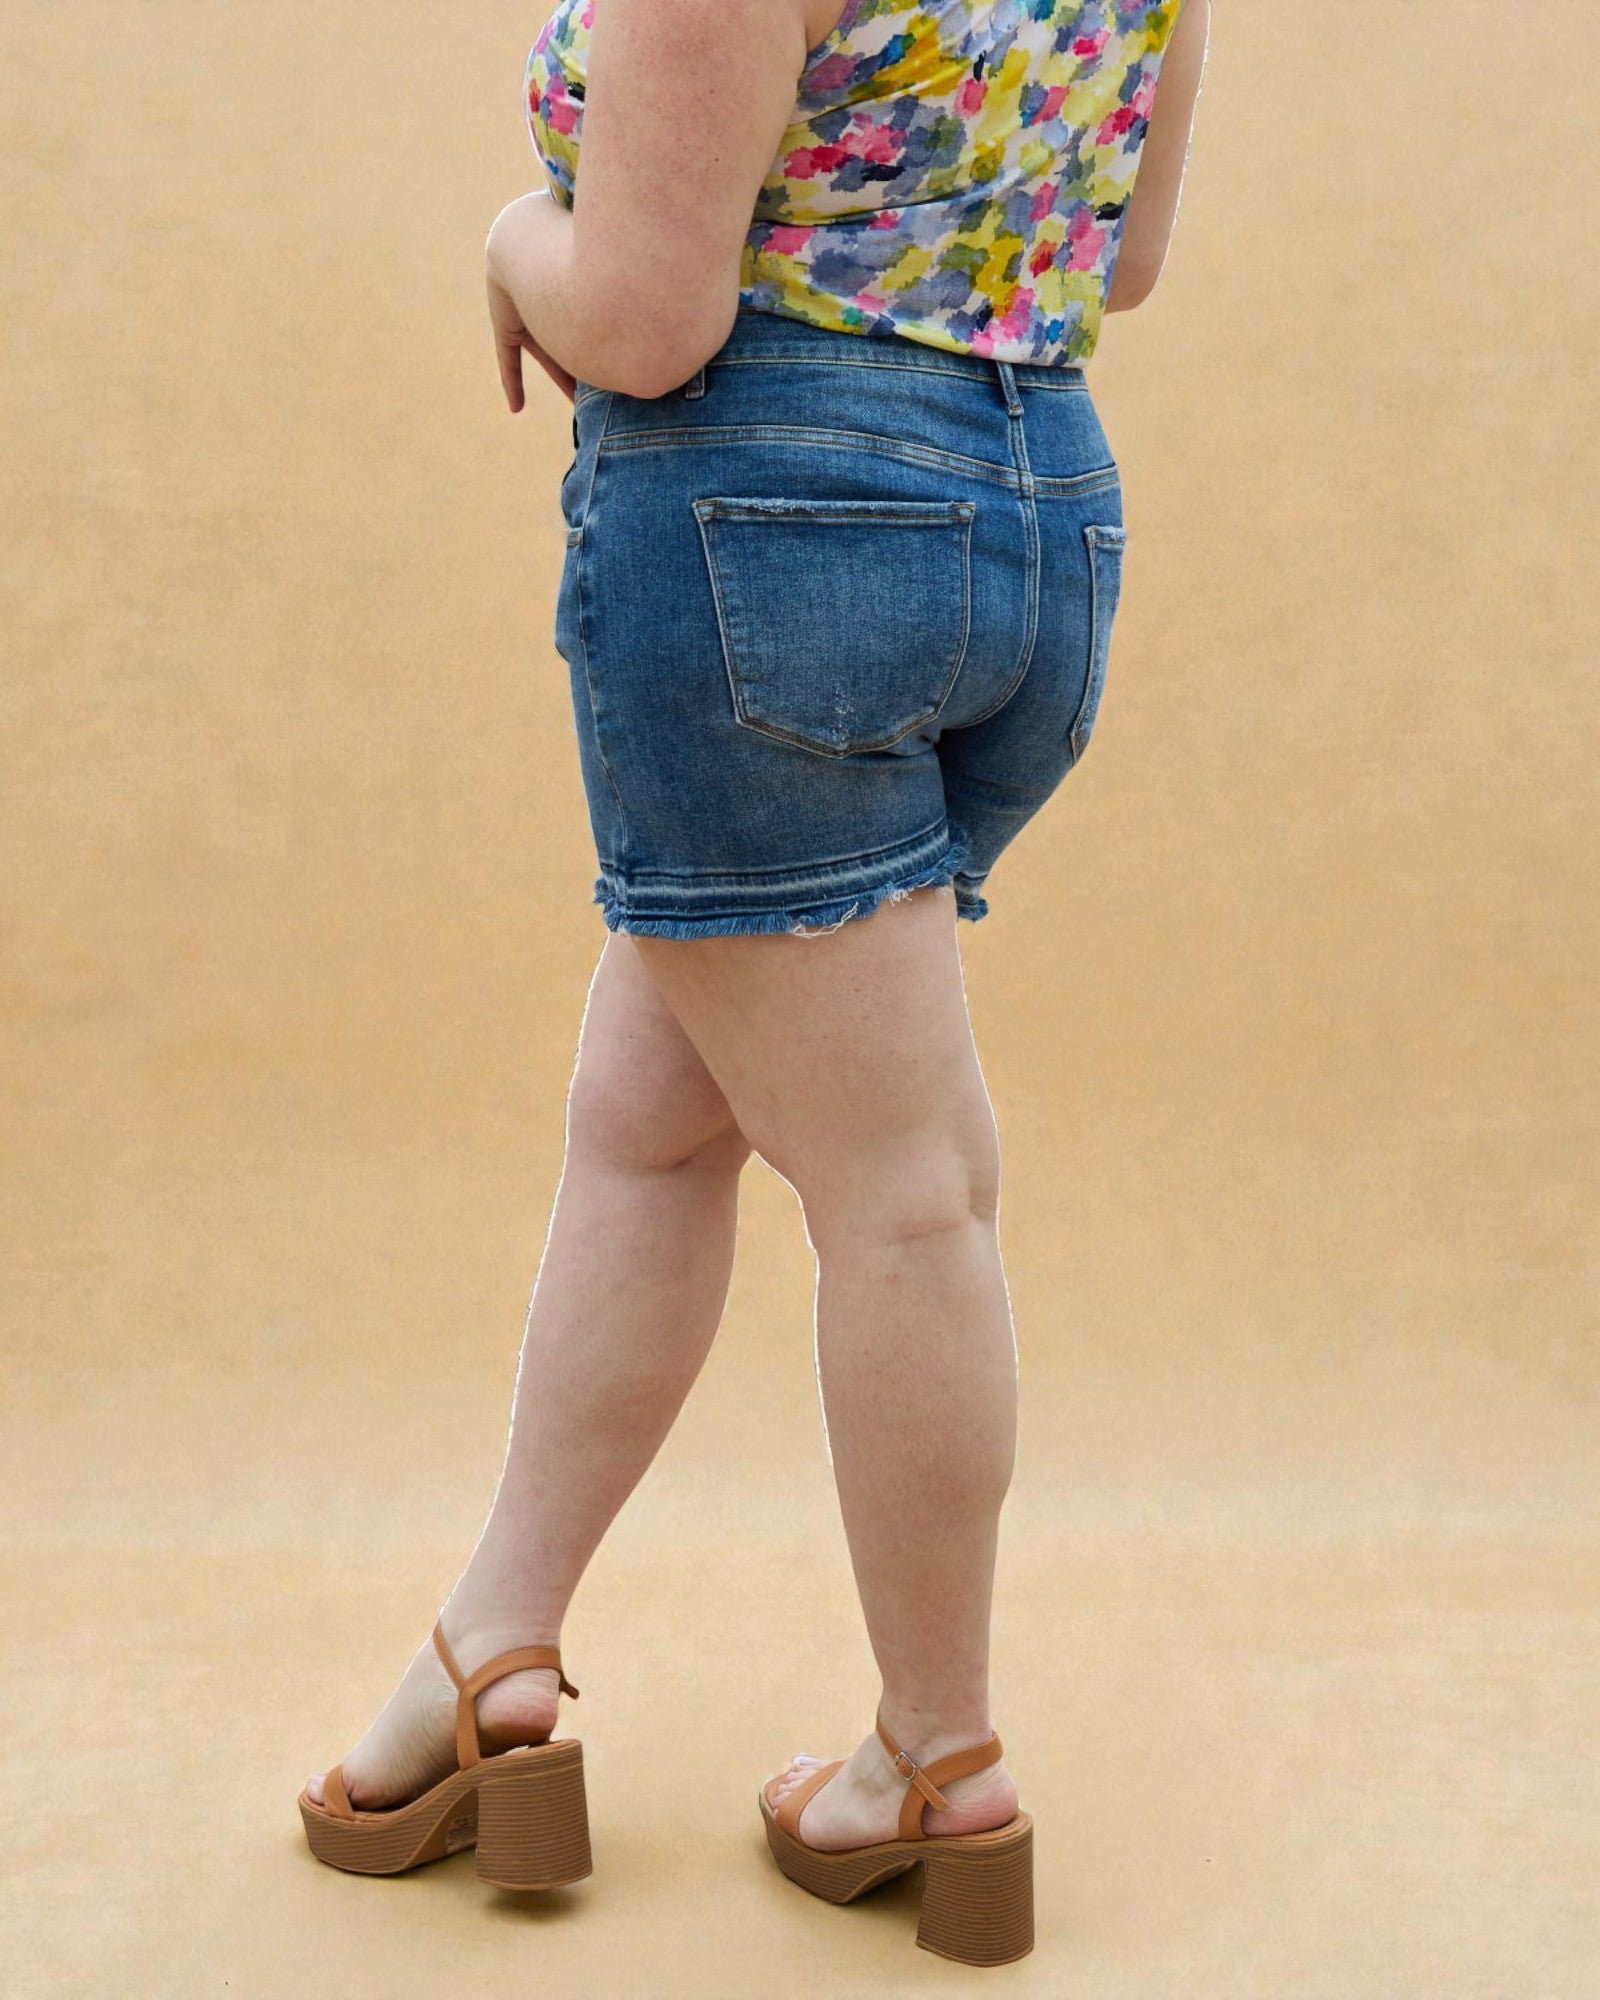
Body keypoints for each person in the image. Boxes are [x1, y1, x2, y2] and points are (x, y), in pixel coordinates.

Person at [298, 0, 1209, 1966]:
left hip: (773, 526)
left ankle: (938, 1765)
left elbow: (639, 319)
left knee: (903, 1189)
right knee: (647, 1118)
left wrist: (498, 240)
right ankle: (487, 1660)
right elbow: (1117, 252)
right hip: (1031, 515)